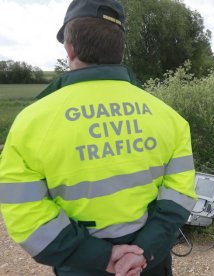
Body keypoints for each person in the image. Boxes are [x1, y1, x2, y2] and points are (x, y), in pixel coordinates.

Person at [0, 0, 197, 275]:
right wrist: (143, 251)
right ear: (120, 49)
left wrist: (101, 257)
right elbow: (180, 195)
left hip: (81, 265)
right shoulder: (170, 118)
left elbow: (26, 216)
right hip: (149, 261)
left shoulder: (29, 124)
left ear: (69, 48)